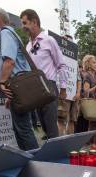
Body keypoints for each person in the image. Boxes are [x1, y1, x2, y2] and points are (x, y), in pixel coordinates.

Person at [0, 7, 38, 151]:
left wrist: (2, 82)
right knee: (21, 128)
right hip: (20, 85)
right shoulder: (12, 33)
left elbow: (9, 61)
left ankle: (35, 162)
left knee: (23, 128)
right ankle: (29, 160)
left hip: (18, 84)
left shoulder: (5, 32)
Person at [20, 9, 67, 139]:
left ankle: (54, 157)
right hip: (35, 89)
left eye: (25, 23)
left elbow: (61, 65)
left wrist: (63, 88)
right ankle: (51, 153)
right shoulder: (28, 45)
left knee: (51, 127)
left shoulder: (49, 40)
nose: (23, 27)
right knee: (45, 128)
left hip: (49, 86)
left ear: (34, 22)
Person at [80, 54, 96, 149]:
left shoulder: (95, 75)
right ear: (88, 64)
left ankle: (95, 143)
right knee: (93, 124)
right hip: (92, 103)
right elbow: (86, 91)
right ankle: (91, 144)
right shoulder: (87, 76)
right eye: (94, 62)